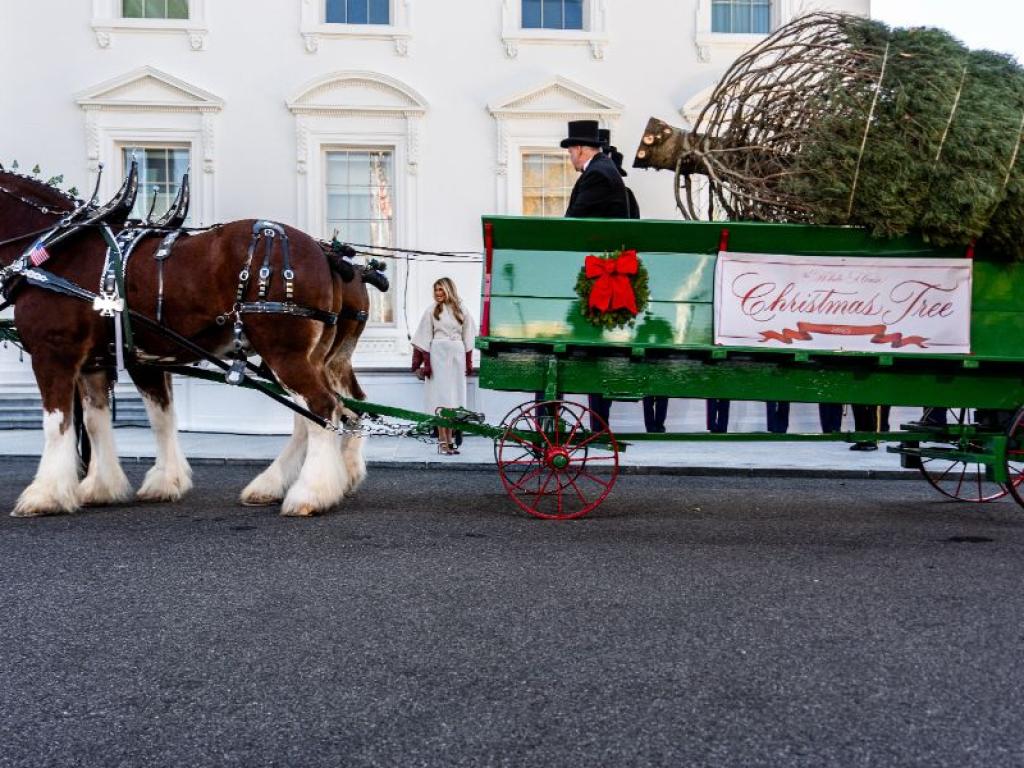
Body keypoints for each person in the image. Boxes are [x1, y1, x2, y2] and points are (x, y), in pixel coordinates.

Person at [559, 120, 631, 430]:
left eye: (570, 151)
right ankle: (598, 423)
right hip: (602, 270)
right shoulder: (601, 170)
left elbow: (575, 222)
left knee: (595, 352)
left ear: (579, 149)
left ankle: (598, 425)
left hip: (602, 275)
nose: (570, 158)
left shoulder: (598, 174)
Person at [411, 277, 476, 455]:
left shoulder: (462, 310)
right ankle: (443, 442)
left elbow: (469, 336)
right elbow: (423, 336)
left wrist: (469, 361)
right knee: (440, 399)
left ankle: (451, 441)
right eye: (435, 290)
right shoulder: (431, 310)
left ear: (449, 290)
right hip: (438, 355)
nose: (437, 293)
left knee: (454, 399)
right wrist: (421, 364)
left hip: (456, 355)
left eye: (440, 289)